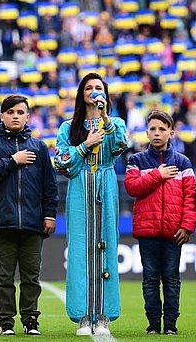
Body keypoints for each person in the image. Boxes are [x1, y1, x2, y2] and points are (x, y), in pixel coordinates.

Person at [0, 95, 58, 336]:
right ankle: (5, 322)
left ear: (28, 117)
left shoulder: (40, 147)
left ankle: (30, 320)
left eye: (20, 112)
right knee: (4, 278)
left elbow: (49, 186)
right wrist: (13, 160)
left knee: (32, 277)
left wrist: (50, 215)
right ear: (1, 116)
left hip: (33, 223)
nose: (15, 116)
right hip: (3, 222)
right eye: (10, 112)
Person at [54, 73, 128, 336]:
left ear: (105, 95)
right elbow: (61, 161)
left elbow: (121, 144)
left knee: (107, 245)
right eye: (89, 87)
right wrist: (85, 145)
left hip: (106, 186)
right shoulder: (68, 127)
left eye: (99, 88)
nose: (94, 91)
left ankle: (104, 315)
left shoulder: (115, 123)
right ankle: (84, 316)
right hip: (79, 189)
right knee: (80, 249)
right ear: (81, 93)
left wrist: (106, 118)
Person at [123, 110, 196, 335]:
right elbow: (132, 187)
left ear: (171, 132)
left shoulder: (183, 162)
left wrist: (187, 226)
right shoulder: (136, 160)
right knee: (150, 280)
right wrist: (158, 174)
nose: (157, 133)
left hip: (174, 232)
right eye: (153, 129)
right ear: (146, 132)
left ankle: (171, 326)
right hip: (147, 231)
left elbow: (190, 198)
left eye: (162, 129)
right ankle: (154, 325)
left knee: (172, 279)